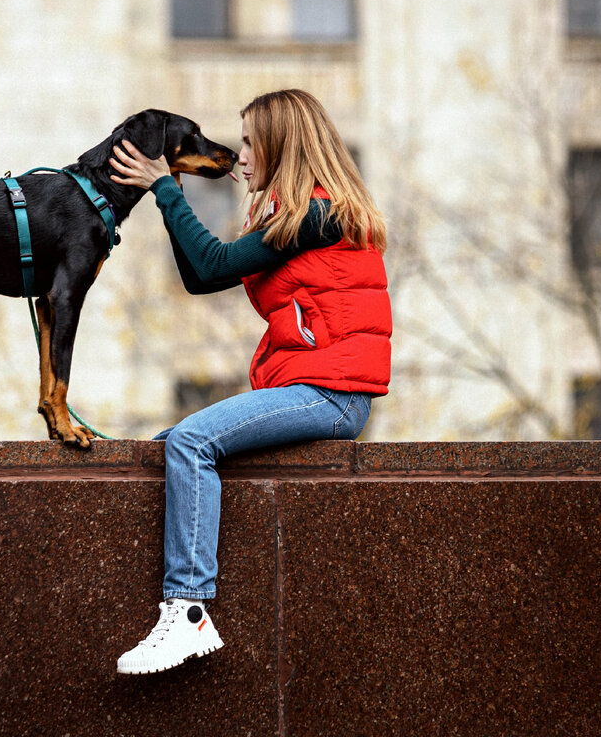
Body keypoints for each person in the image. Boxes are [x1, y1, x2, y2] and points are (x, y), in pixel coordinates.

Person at [108, 89, 392, 675]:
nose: (240, 154)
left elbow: (212, 264)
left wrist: (164, 187)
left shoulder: (321, 215)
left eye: (247, 141)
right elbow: (200, 276)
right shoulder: (295, 218)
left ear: (280, 144)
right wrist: (172, 190)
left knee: (191, 442)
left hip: (332, 395)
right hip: (311, 389)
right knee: (166, 443)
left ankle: (187, 612)